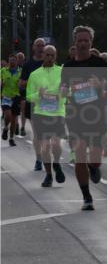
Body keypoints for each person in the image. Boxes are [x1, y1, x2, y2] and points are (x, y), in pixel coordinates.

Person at [60, 26, 107, 211]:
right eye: (80, 40)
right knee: (80, 157)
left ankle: (94, 167)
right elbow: (63, 87)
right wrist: (62, 92)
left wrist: (100, 84)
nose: (83, 44)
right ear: (75, 42)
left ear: (90, 42)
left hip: (96, 117)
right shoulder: (68, 67)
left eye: (86, 41)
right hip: (75, 117)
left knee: (94, 160)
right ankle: (87, 196)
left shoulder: (99, 63)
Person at [26, 43, 66, 186]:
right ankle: (49, 175)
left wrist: (65, 92)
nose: (49, 58)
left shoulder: (62, 72)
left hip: (58, 112)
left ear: (56, 57)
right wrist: (39, 94)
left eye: (52, 55)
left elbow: (69, 92)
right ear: (42, 55)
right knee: (45, 146)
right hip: (40, 113)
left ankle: (56, 163)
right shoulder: (34, 74)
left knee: (56, 143)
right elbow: (29, 96)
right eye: (47, 55)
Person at [19, 38, 45, 166]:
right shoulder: (28, 65)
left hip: (49, 102)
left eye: (42, 45)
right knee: (37, 132)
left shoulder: (49, 62)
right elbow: (21, 84)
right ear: (34, 48)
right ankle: (39, 158)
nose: (41, 47)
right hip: (34, 102)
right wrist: (33, 81)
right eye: (38, 45)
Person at [1, 54, 22, 146]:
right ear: (8, 61)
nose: (12, 62)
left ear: (17, 61)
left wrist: (21, 85)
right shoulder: (3, 70)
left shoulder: (20, 72)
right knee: (8, 115)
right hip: (6, 96)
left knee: (14, 120)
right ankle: (5, 128)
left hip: (16, 97)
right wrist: (1, 83)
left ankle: (11, 138)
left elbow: (24, 84)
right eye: (10, 60)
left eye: (14, 60)